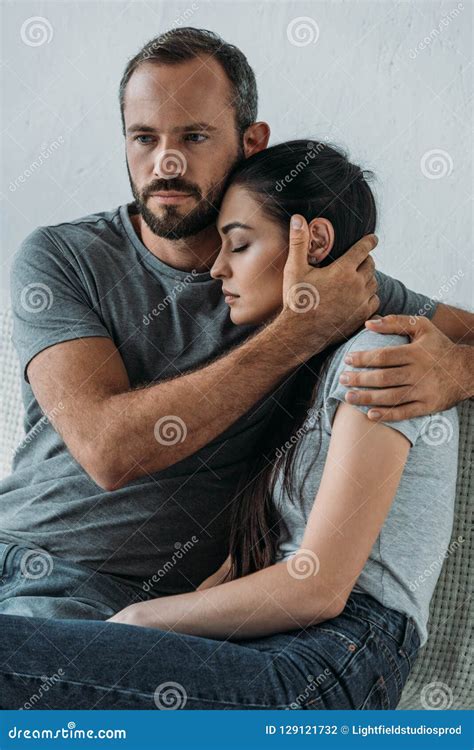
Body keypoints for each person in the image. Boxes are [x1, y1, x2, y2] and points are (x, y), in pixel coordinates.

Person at [0, 28, 471, 622]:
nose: (165, 163)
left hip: (116, 604)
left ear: (252, 142)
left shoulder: (318, 281)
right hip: (15, 550)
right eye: (144, 138)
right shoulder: (62, 257)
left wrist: (458, 367)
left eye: (194, 136)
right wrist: (295, 334)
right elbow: (108, 450)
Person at [0, 141, 462, 710]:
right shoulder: (304, 372)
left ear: (313, 242)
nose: (217, 268)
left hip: (335, 658)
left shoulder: (382, 351)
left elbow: (318, 586)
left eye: (239, 244)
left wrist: (138, 620)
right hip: (265, 645)